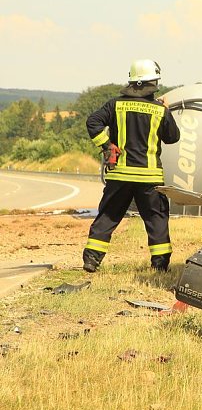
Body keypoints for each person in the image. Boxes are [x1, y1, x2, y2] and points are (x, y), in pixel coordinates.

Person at [82, 59, 180, 272]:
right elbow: (173, 137)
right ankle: (160, 265)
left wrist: (107, 145)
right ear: (153, 83)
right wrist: (166, 111)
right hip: (149, 178)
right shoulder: (159, 110)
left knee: (108, 216)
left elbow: (93, 122)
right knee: (156, 220)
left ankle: (91, 260)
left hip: (120, 176)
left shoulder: (115, 105)